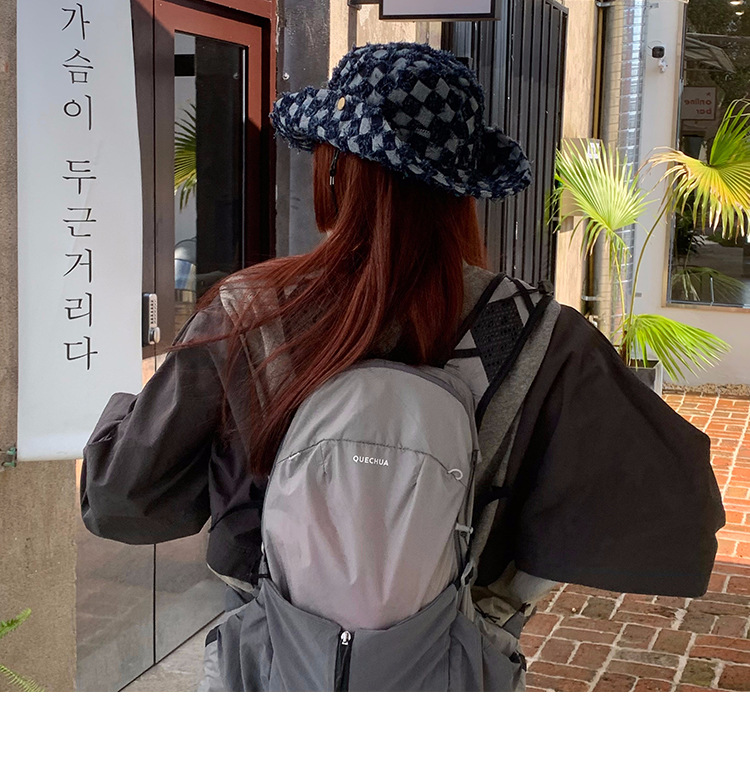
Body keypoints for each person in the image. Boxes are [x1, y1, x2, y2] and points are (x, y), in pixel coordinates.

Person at [81, 40, 725, 691]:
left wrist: (131, 417)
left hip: (269, 669)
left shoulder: (250, 313)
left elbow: (121, 500)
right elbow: (682, 520)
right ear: (462, 191)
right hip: (450, 672)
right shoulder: (541, 337)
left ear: (335, 171)